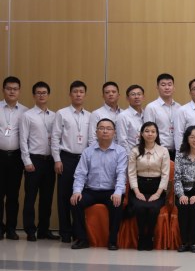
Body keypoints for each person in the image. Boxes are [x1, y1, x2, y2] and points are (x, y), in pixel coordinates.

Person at [69, 118, 127, 250]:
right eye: (101, 128)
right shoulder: (88, 151)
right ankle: (82, 239)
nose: (105, 131)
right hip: (91, 191)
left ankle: (112, 241)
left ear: (114, 133)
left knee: (117, 204)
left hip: (110, 191)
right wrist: (77, 191)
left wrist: (118, 192)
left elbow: (121, 174)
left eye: (108, 128)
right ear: (96, 132)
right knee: (75, 202)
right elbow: (80, 174)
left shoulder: (120, 151)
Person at [51, 80, 90, 243]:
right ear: (70, 94)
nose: (78, 94)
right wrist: (57, 159)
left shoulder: (90, 116)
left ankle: (77, 231)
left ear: (85, 94)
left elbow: (91, 140)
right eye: (75, 91)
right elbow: (55, 137)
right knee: (64, 195)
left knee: (80, 195)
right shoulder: (62, 113)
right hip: (66, 158)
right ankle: (65, 232)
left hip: (84, 159)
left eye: (81, 92)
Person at [20, 81, 57, 241]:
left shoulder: (54, 116)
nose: (41, 95)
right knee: (30, 197)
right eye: (38, 93)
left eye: (44, 93)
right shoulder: (27, 115)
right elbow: (23, 140)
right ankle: (30, 230)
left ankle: (44, 230)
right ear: (34, 95)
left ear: (48, 95)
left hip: (50, 161)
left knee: (47, 198)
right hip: (34, 160)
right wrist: (27, 161)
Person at [127, 122, 170, 251]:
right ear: (141, 134)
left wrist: (157, 194)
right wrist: (136, 192)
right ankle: (141, 236)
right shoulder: (135, 150)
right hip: (138, 187)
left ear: (157, 134)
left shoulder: (163, 151)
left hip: (157, 188)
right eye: (147, 131)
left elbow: (165, 174)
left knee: (153, 208)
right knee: (140, 207)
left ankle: (150, 236)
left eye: (153, 131)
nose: (150, 134)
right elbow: (131, 173)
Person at [0, 76, 28, 240]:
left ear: (19, 91)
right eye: (9, 88)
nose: (12, 91)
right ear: (3, 90)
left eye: (15, 89)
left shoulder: (25, 111)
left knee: (13, 195)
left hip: (16, 158)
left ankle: (11, 228)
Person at [143, 73, 181, 158]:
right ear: (157, 88)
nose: (167, 87)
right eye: (163, 85)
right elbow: (148, 132)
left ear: (174, 88)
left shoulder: (179, 107)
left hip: (177, 151)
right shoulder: (151, 107)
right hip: (158, 151)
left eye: (169, 85)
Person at [88, 81, 121, 146]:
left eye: (113, 92)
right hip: (103, 151)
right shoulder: (96, 114)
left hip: (121, 151)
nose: (111, 94)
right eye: (107, 92)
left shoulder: (124, 113)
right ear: (103, 96)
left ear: (118, 95)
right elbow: (92, 139)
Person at [116, 85, 145, 151]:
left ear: (143, 97)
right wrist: (130, 156)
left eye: (139, 94)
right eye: (133, 94)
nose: (136, 97)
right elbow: (122, 141)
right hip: (131, 154)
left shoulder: (146, 114)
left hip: (147, 154)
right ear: (127, 98)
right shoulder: (123, 116)